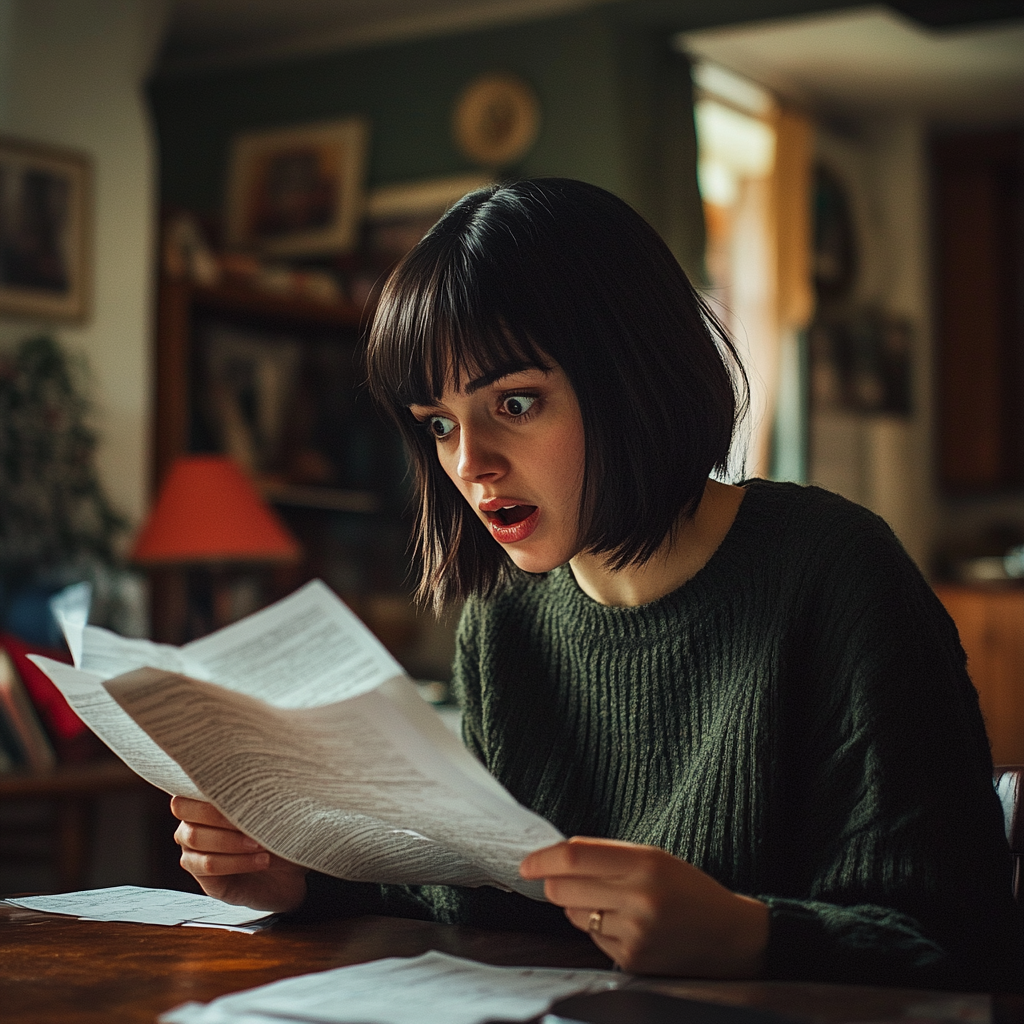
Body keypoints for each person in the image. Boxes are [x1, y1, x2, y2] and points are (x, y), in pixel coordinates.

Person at [171, 178, 1023, 990]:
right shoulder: (504, 621)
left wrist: (748, 934)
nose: (470, 464)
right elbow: (487, 893)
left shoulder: (836, 573)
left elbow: (960, 943)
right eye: (438, 423)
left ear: (631, 378)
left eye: (514, 403)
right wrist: (300, 876)